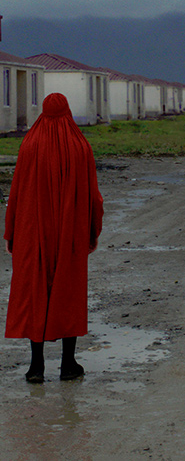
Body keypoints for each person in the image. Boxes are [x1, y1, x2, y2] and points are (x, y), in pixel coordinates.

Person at [4, 93, 104, 383]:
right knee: (67, 291)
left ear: (43, 113)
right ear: (68, 112)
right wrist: (91, 231)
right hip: (69, 234)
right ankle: (68, 364)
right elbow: (93, 197)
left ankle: (36, 367)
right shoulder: (80, 146)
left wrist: (11, 233)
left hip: (32, 233)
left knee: (35, 291)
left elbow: (16, 195)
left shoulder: (29, 145)